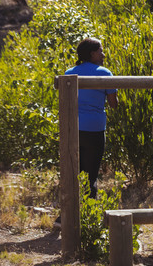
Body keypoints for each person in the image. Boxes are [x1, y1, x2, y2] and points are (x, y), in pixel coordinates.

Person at [65, 37, 118, 199]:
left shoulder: (69, 73)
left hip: (73, 129)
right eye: (101, 51)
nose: (103, 55)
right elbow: (113, 104)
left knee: (76, 173)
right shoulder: (105, 73)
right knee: (92, 174)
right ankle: (90, 214)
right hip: (95, 129)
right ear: (93, 54)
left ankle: (70, 213)